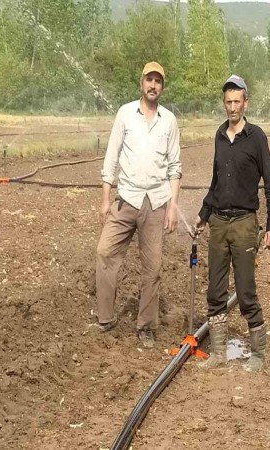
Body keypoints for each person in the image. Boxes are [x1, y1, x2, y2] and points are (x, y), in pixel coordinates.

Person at [195, 75, 270, 372]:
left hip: (244, 223)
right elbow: (216, 182)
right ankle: (218, 352)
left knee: (245, 291)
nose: (232, 107)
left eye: (237, 102)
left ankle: (257, 354)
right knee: (215, 291)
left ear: (246, 103)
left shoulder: (256, 137)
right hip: (218, 223)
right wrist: (203, 215)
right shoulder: (220, 136)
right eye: (228, 102)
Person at [95, 61, 182, 348]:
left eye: (158, 81)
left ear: (162, 87)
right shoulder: (125, 114)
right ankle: (106, 318)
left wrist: (172, 206)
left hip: (155, 203)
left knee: (152, 267)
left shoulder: (169, 121)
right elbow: (111, 157)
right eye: (149, 80)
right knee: (105, 252)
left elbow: (175, 167)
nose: (153, 85)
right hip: (126, 199)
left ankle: (146, 326)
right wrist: (105, 199)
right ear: (141, 83)